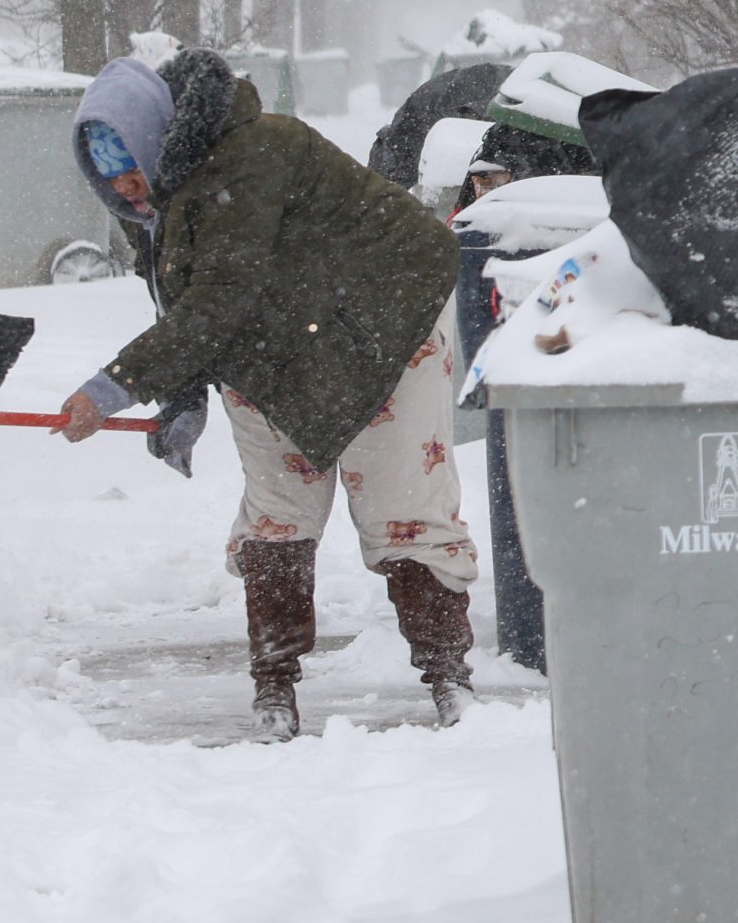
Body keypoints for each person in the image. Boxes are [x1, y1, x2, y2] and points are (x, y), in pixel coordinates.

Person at [60, 50, 480, 739]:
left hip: (384, 322)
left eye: (133, 173)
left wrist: (115, 387)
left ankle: (448, 677)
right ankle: (274, 687)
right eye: (114, 187)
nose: (131, 193)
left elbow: (224, 292)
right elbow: (183, 301)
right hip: (268, 344)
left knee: (404, 506)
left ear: (153, 139)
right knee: (278, 516)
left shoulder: (257, 151)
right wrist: (185, 394)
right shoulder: (162, 201)